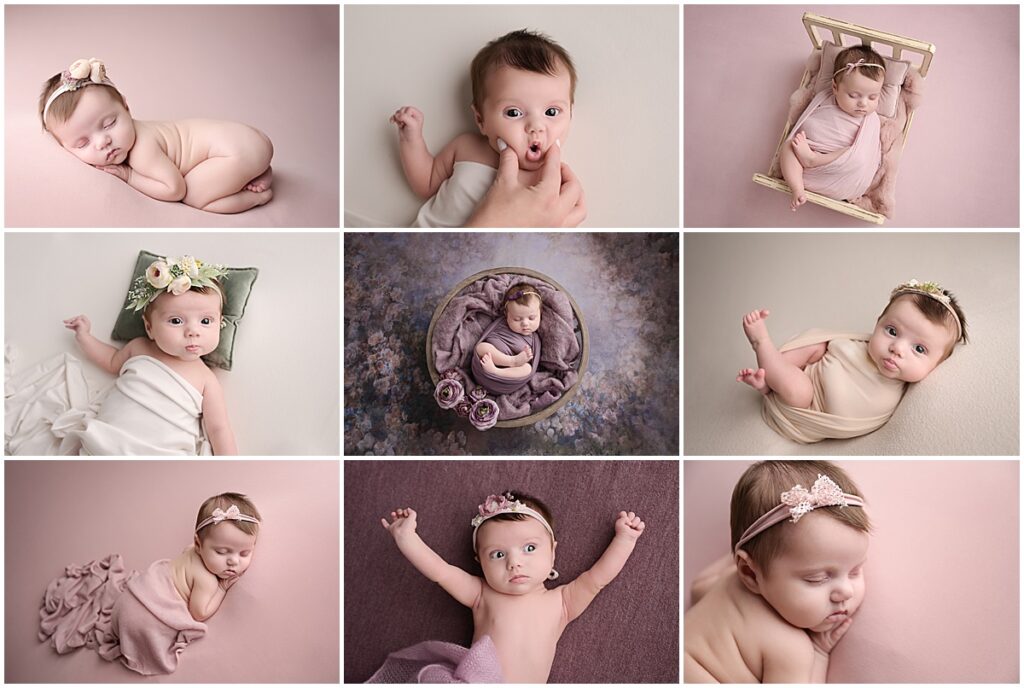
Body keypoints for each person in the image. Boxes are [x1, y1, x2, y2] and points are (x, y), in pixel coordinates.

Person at [374, 491, 644, 682]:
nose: (514, 563)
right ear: (480, 562)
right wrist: (407, 538)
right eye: (498, 554)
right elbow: (440, 572)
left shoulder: (562, 601)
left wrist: (625, 539)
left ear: (552, 553)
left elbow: (598, 579)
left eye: (529, 548)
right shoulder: (481, 594)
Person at [685, 461, 868, 683]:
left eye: (855, 571)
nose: (846, 591)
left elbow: (697, 589)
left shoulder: (725, 580)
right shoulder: (791, 649)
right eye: (816, 579)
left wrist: (756, 555)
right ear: (750, 574)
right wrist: (819, 654)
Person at [39, 492, 261, 675]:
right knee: (148, 631)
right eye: (222, 552)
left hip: (129, 597)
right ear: (198, 543)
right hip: (143, 617)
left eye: (244, 553)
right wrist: (222, 588)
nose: (233, 561)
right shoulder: (208, 580)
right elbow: (199, 613)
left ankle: (119, 626)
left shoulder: (191, 551)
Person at [391, 29, 584, 227]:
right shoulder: (467, 147)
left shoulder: (553, 187)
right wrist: (411, 138)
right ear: (480, 119)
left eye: (552, 112)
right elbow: (426, 183)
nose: (536, 127)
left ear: (570, 114)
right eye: (513, 113)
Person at [736, 279, 968, 443]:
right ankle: (766, 354)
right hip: (810, 378)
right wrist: (821, 352)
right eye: (892, 331)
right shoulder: (852, 346)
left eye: (918, 349)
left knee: (800, 393)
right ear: (878, 323)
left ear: (937, 365)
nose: (897, 349)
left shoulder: (898, 393)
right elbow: (828, 348)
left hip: (809, 411)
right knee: (816, 346)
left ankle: (769, 372)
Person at [39, 58, 273, 213]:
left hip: (236, 151)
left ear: (126, 107)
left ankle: (255, 197)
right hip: (247, 139)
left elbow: (174, 189)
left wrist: (129, 176)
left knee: (194, 196)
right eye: (82, 143)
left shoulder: (142, 149)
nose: (103, 142)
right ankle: (260, 170)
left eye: (110, 123)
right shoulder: (133, 135)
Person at [62, 254, 237, 455]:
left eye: (205, 321)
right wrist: (85, 337)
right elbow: (111, 361)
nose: (192, 331)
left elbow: (218, 428)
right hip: (109, 439)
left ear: (220, 323)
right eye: (176, 321)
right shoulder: (139, 347)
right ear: (149, 327)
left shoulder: (206, 378)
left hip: (160, 450)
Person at [780, 45, 886, 211]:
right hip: (809, 152)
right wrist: (808, 141)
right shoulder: (823, 98)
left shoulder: (872, 121)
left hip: (842, 167)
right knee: (788, 146)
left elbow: (869, 154)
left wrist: (815, 158)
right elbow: (807, 122)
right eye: (854, 95)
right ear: (835, 88)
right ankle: (797, 188)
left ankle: (813, 160)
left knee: (857, 157)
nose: (863, 103)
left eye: (873, 97)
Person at [471, 285, 543, 394]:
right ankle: (511, 361)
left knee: (527, 369)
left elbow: (532, 362)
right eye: (517, 319)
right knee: (481, 347)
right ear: (506, 315)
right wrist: (512, 360)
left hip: (506, 375)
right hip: (489, 362)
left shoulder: (535, 339)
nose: (525, 323)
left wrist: (522, 360)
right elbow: (488, 337)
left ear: (540, 313)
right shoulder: (501, 324)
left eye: (532, 318)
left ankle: (496, 371)